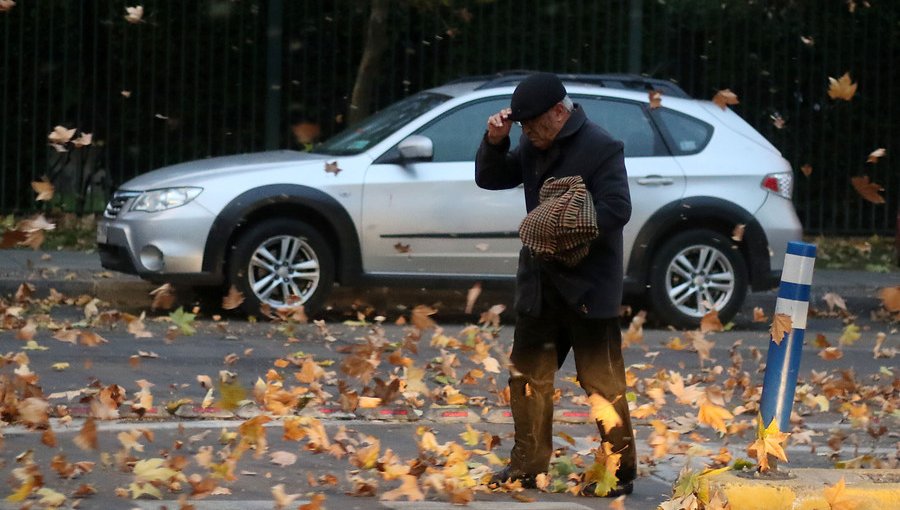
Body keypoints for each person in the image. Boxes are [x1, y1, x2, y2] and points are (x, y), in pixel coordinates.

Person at [475, 73, 635, 497]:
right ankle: (526, 467)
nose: (528, 134)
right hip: (541, 285)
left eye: (533, 125)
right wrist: (495, 141)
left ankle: (618, 472)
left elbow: (618, 208)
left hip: (588, 288)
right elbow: (491, 178)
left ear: (559, 113)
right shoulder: (530, 143)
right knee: (527, 378)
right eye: (522, 128)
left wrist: (571, 219)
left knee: (602, 384)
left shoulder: (601, 147)